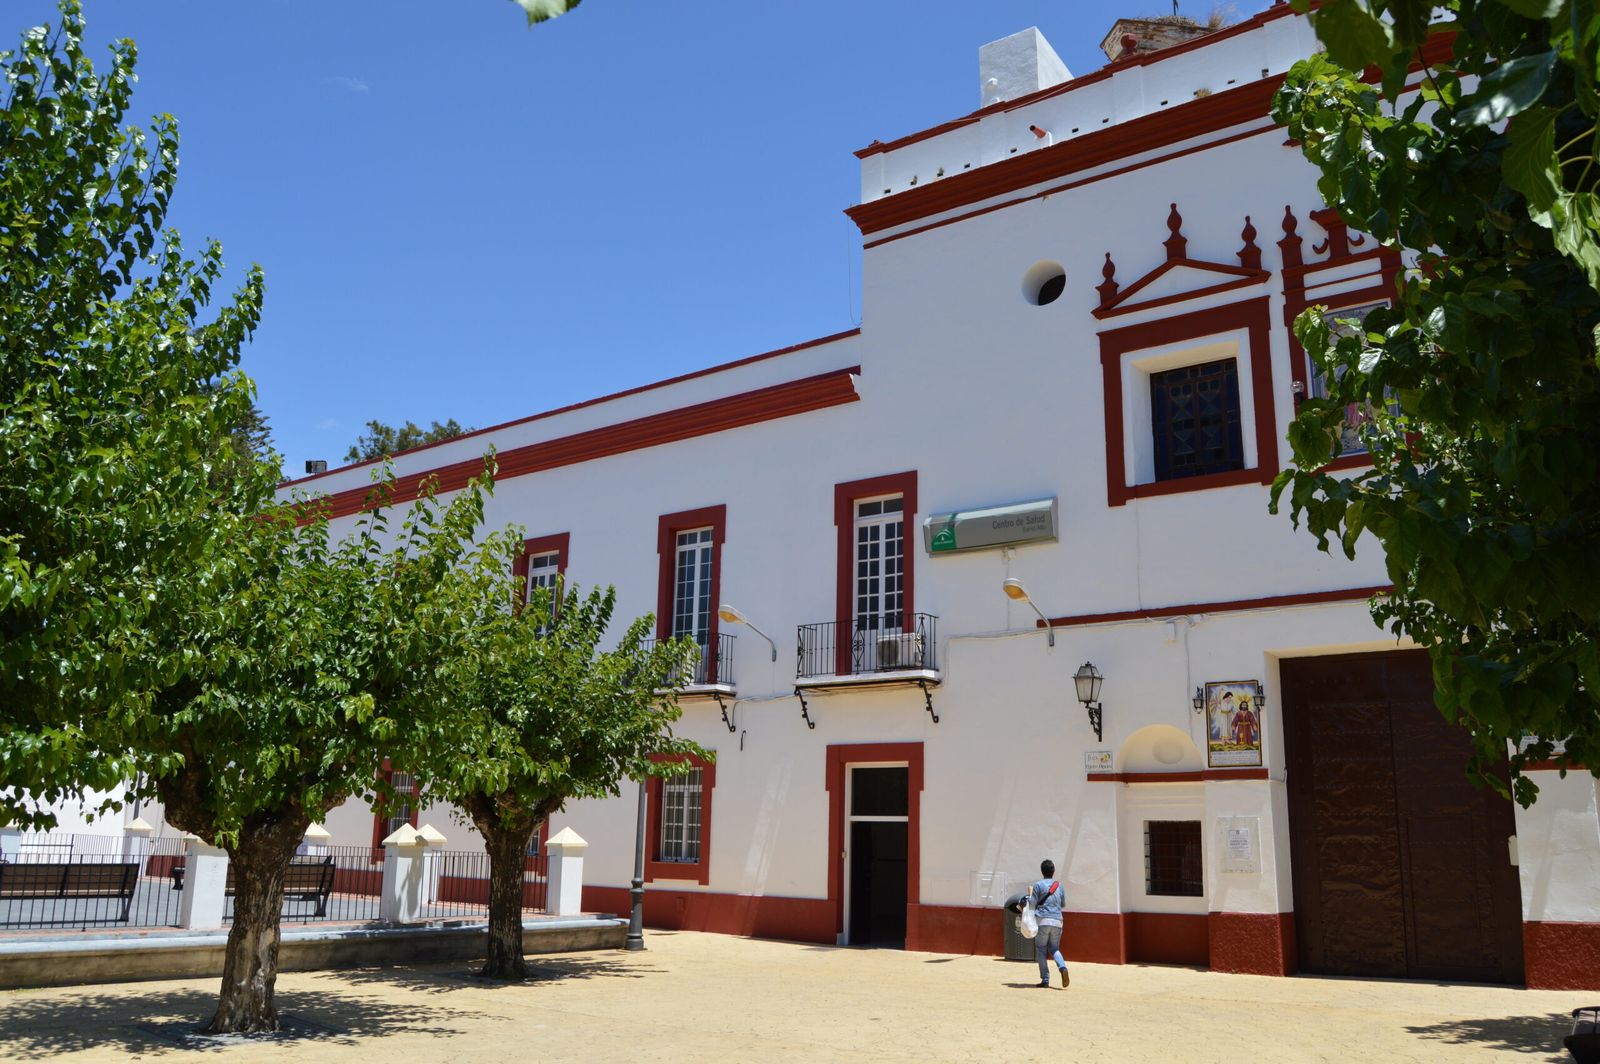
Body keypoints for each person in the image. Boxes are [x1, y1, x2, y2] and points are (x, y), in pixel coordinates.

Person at [1006, 859, 1069, 988]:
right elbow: (1063, 904)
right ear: (1053, 871)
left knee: (1041, 950)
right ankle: (1062, 967)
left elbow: (1033, 903)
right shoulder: (1059, 886)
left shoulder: (1038, 885)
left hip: (1042, 921)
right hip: (1057, 921)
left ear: (1042, 872)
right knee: (1055, 948)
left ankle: (1045, 980)